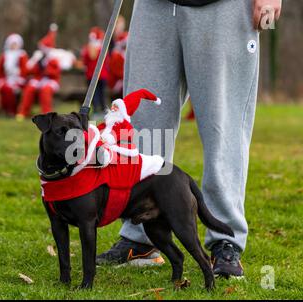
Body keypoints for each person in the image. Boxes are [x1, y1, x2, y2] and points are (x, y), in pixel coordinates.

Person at [97, 0, 283, 278]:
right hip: (154, 7)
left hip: (224, 8)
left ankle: (225, 241)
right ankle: (141, 236)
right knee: (144, 123)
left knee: (223, 125)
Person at [16, 24, 61, 121]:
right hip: (39, 79)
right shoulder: (38, 57)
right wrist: (35, 65)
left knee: (45, 90)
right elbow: (29, 71)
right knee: (29, 88)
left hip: (51, 81)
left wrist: (46, 70)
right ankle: (23, 112)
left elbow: (56, 73)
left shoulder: (54, 58)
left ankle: (47, 115)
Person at [0, 34, 28, 117]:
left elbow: (25, 69)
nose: (14, 46)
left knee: (10, 89)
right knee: (4, 88)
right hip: (7, 79)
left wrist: (19, 78)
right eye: (12, 44)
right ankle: (5, 109)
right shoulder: (5, 55)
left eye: (15, 44)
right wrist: (0, 79)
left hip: (18, 80)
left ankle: (12, 111)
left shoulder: (22, 55)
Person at [81, 27, 110, 118]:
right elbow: (107, 61)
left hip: (91, 76)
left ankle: (96, 110)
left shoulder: (87, 49)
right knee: (102, 93)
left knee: (94, 94)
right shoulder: (103, 48)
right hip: (103, 75)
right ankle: (103, 109)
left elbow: (85, 62)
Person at [108, 32, 128, 101]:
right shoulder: (116, 55)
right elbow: (116, 71)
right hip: (116, 81)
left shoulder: (125, 54)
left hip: (122, 79)